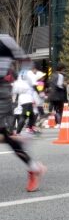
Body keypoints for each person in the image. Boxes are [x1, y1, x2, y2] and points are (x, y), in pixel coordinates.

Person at [0, 34, 46, 192]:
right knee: (3, 136)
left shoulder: (4, 40)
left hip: (1, 90)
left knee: (3, 134)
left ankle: (33, 167)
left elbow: (26, 61)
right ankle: (30, 161)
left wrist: (17, 77)